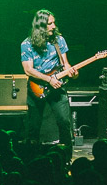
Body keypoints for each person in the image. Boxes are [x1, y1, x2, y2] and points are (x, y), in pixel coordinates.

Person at [21, 9, 77, 149]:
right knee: (34, 126)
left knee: (64, 122)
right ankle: (32, 155)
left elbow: (65, 63)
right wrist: (48, 79)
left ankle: (66, 154)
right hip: (36, 88)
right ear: (40, 26)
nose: (54, 26)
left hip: (57, 86)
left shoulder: (59, 40)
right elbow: (28, 70)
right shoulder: (27, 44)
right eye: (50, 24)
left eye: (54, 23)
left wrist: (72, 72)